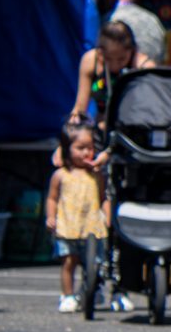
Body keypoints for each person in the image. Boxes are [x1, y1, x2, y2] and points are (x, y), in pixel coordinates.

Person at [46, 124, 107, 313]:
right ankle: (68, 294)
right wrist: (50, 216)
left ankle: (90, 291)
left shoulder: (96, 175)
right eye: (80, 148)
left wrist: (107, 215)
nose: (87, 153)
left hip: (91, 226)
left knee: (94, 263)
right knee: (68, 262)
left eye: (90, 148)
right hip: (67, 225)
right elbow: (52, 198)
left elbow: (103, 197)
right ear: (67, 149)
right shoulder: (61, 175)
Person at [67, 18, 155, 132]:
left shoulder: (144, 67)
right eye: (108, 59)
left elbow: (149, 111)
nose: (114, 65)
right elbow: (79, 109)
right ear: (99, 52)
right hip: (100, 129)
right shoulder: (90, 61)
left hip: (133, 129)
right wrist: (67, 139)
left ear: (133, 50)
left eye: (121, 59)